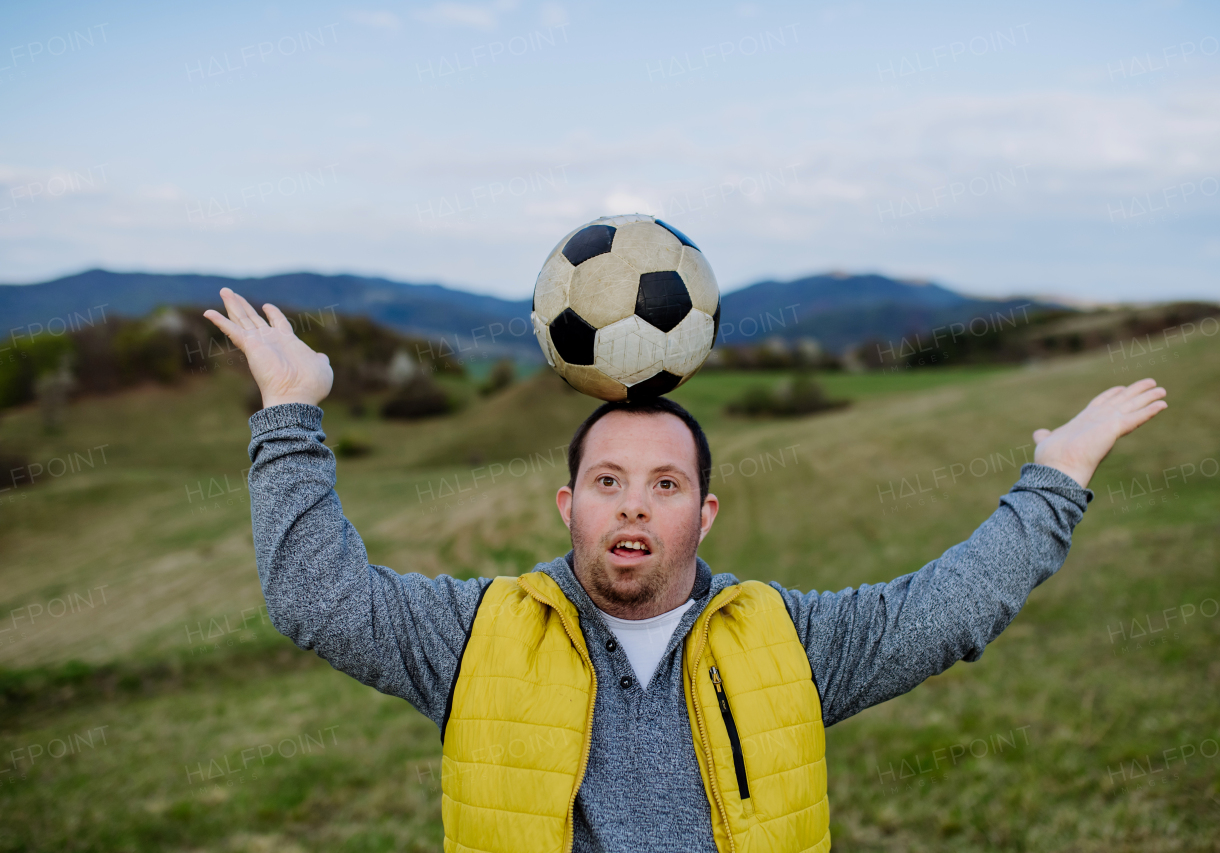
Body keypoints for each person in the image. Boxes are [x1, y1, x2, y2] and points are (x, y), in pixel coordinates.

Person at [204, 287, 1168, 853]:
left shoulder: (788, 639)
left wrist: (1059, 473)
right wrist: (290, 408)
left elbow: (948, 607)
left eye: (665, 483)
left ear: (703, 514)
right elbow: (316, 597)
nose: (632, 502)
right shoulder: (477, 633)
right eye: (607, 480)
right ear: (567, 505)